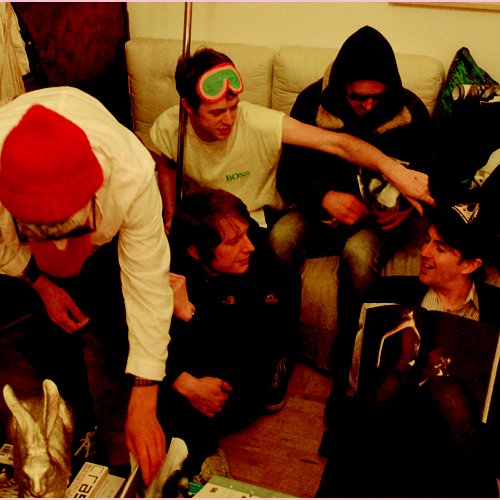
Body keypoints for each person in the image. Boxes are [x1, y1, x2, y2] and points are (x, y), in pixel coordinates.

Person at [0, 86, 173, 485]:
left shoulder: (130, 175)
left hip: (109, 236)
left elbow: (147, 281)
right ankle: (79, 428)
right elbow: (2, 248)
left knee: (115, 308)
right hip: (21, 250)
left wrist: (145, 393)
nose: (62, 243)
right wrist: (41, 285)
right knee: (52, 330)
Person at [273, 25, 435, 401]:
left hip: (376, 220)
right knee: (279, 238)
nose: (368, 106)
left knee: (359, 255)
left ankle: (350, 364)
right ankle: (279, 350)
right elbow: (287, 175)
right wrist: (324, 197)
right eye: (358, 97)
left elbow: (429, 176)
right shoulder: (312, 102)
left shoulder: (410, 111)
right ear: (342, 86)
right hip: (320, 213)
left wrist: (406, 212)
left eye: (377, 98)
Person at [317, 201, 500, 498]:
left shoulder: (497, 313)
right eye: (427, 240)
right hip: (391, 436)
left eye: (440, 248)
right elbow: (350, 382)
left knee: (447, 393)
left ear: (470, 265)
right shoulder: (387, 293)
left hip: (456, 450)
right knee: (389, 386)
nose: (424, 252)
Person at [150, 46, 433, 234]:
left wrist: (394, 171)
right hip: (204, 221)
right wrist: (170, 215)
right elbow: (167, 162)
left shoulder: (258, 121)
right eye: (216, 113)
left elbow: (339, 143)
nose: (229, 119)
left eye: (233, 108)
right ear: (187, 108)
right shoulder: (170, 126)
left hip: (255, 220)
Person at [157, 187, 295, 481]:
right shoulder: (167, 263)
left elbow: (254, 345)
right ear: (195, 251)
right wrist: (183, 382)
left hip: (242, 376)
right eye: (233, 241)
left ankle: (198, 453)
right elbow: (127, 335)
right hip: (188, 376)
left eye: (246, 234)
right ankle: (197, 453)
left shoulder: (260, 261)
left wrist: (189, 314)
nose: (249, 246)